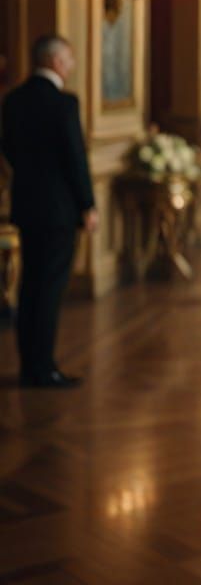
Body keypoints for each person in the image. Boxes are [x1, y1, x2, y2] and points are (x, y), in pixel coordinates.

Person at [1, 35, 97, 388]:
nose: (71, 67)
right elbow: (75, 158)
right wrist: (87, 204)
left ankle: (30, 364)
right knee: (50, 289)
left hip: (26, 205)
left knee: (30, 287)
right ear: (56, 62)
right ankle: (44, 368)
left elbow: (8, 149)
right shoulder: (64, 103)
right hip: (59, 210)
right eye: (69, 60)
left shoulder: (12, 100)